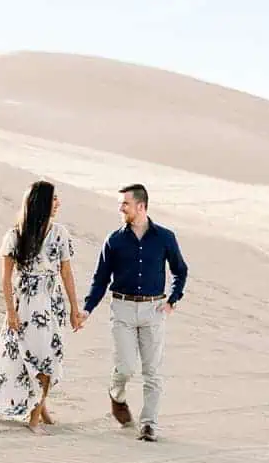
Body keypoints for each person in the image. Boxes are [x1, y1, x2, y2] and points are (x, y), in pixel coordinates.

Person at [75, 183, 189, 442]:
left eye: (125, 203)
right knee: (125, 367)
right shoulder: (114, 240)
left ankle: (148, 424)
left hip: (153, 309)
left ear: (141, 206)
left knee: (152, 371)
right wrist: (87, 310)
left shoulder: (165, 237)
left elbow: (180, 271)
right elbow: (100, 278)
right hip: (123, 309)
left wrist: (172, 300)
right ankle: (117, 395)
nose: (120, 208)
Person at [0, 180, 82, 433]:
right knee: (31, 357)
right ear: (41, 203)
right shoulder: (15, 235)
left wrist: (74, 308)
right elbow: (6, 278)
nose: (58, 203)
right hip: (25, 303)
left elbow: (67, 273)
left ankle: (39, 409)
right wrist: (10, 312)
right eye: (53, 198)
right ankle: (34, 418)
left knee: (50, 356)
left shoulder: (60, 233)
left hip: (51, 301)